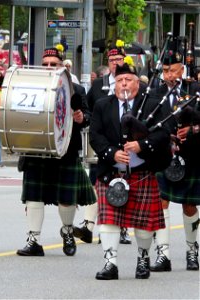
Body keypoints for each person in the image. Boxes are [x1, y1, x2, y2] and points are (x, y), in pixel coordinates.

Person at [90, 57, 171, 280]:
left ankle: (143, 258)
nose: (123, 83)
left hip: (142, 171)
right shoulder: (102, 105)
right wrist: (111, 152)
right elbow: (95, 135)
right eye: (119, 80)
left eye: (128, 79)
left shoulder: (152, 103)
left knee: (144, 224)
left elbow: (164, 132)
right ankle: (110, 263)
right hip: (111, 171)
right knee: (109, 220)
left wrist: (142, 145)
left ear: (138, 83)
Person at [16, 44, 96, 257]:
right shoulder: (29, 86)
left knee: (67, 198)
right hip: (35, 148)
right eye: (46, 65)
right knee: (33, 196)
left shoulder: (76, 90)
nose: (49, 67)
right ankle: (33, 240)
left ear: (63, 67)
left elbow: (88, 116)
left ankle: (68, 233)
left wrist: (81, 118)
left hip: (65, 150)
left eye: (54, 64)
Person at [75, 41, 133, 245]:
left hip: (126, 142)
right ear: (107, 62)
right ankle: (89, 225)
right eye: (112, 60)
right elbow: (89, 109)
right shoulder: (99, 84)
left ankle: (122, 228)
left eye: (119, 59)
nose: (115, 63)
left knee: (124, 184)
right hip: (103, 144)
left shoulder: (131, 82)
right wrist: (86, 119)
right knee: (97, 182)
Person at [149, 42, 200, 272]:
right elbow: (148, 122)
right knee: (161, 203)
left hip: (191, 155)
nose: (169, 75)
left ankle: (192, 250)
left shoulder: (195, 90)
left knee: (189, 206)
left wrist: (194, 130)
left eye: (174, 70)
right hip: (164, 155)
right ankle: (163, 253)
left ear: (182, 70)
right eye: (166, 71)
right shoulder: (154, 93)